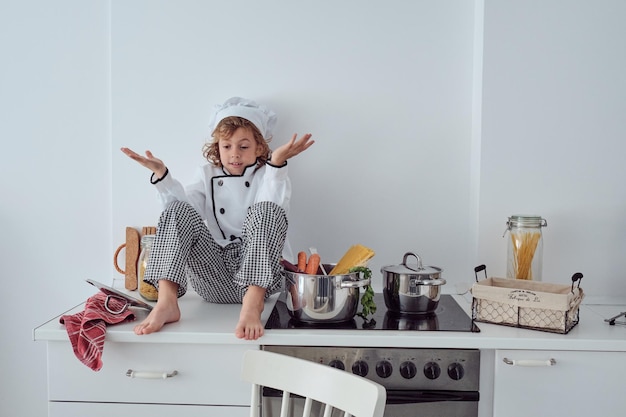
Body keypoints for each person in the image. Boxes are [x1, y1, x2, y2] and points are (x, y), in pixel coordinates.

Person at [121, 97, 314, 340]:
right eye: (226, 146)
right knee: (176, 210)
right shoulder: (205, 174)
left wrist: (276, 165)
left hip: (261, 282)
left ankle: (252, 305)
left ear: (259, 148)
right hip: (214, 279)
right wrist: (162, 175)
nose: (234, 154)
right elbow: (182, 213)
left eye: (243, 147)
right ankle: (167, 302)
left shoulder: (269, 174)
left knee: (266, 210)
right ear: (217, 147)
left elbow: (274, 208)